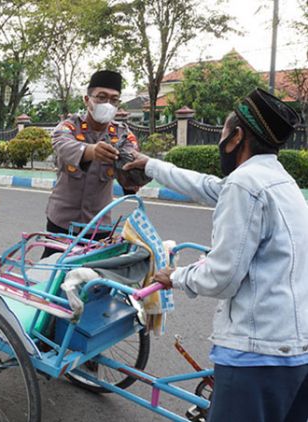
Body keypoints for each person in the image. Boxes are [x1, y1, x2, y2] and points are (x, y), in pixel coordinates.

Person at [123, 88, 308, 421]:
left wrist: (174, 276)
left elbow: (222, 276)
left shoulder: (245, 184)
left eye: (223, 132)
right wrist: (151, 166)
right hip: (295, 352)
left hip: (256, 354)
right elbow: (207, 186)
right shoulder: (282, 181)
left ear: (237, 137)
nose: (220, 141)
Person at [43, 70, 143, 257]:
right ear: (87, 100)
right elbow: (62, 145)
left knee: (93, 279)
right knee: (51, 273)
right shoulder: (68, 127)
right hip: (62, 222)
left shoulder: (122, 135)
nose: (107, 104)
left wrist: (134, 175)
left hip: (100, 224)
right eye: (101, 97)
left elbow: (132, 165)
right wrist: (91, 151)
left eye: (114, 100)